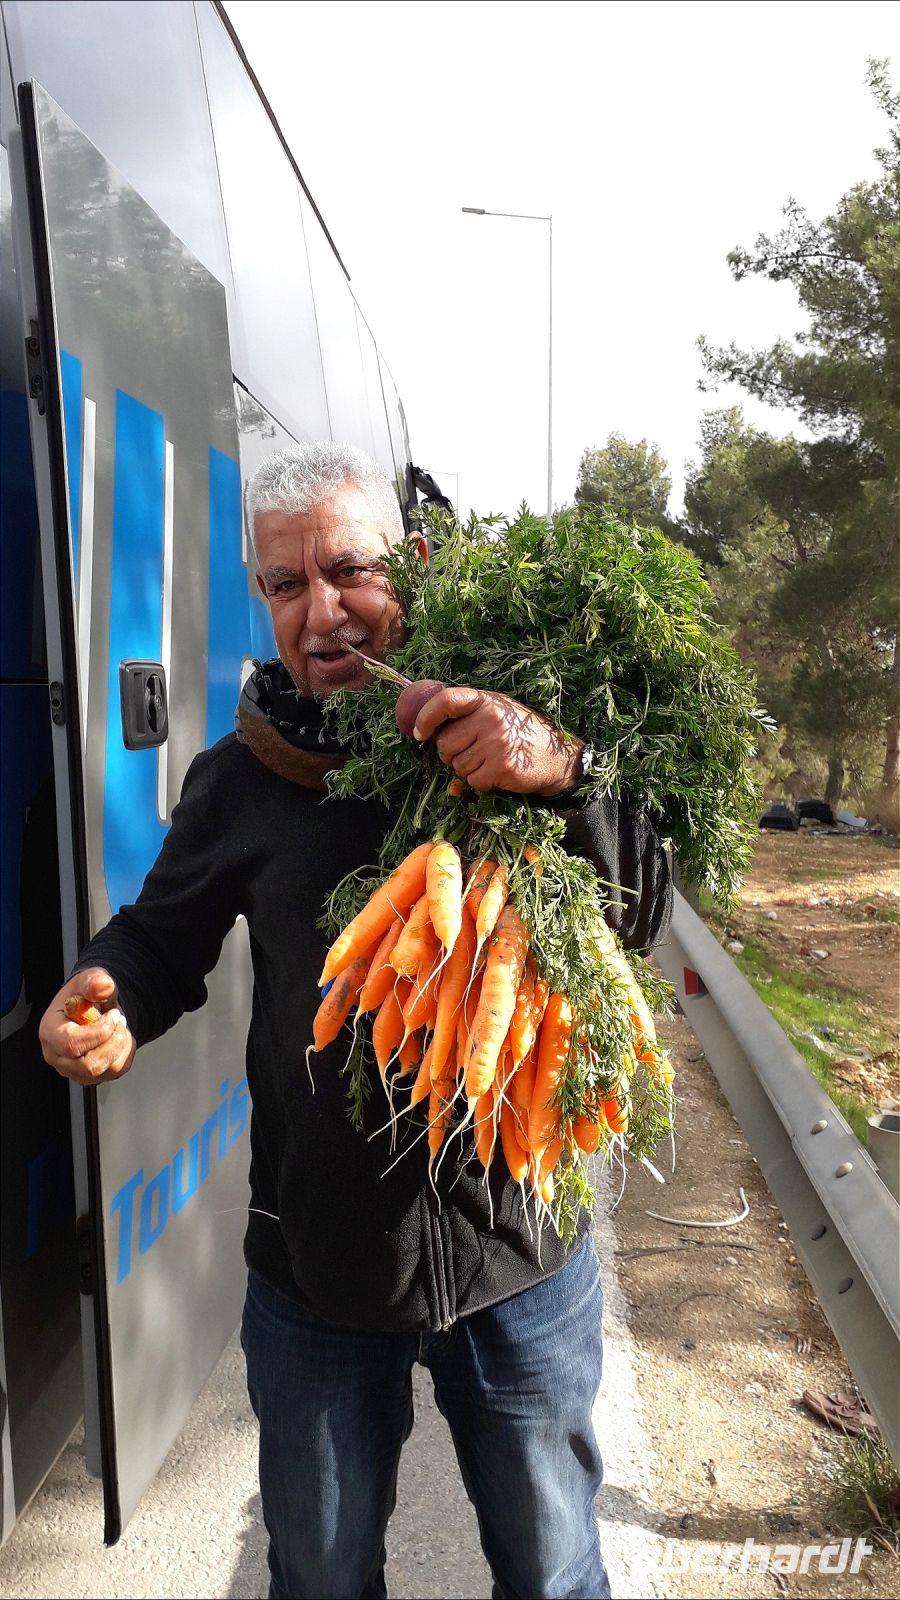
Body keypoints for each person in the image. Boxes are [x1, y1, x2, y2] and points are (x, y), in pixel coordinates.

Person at [40, 442, 672, 1600]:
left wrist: (566, 771)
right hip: (317, 1273)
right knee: (320, 1579)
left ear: (414, 568)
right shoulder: (238, 778)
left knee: (556, 1573)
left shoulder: (511, 732)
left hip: (519, 1252)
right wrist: (108, 992)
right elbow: (160, 937)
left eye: (348, 572)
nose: (320, 613)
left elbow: (639, 910)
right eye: (285, 585)